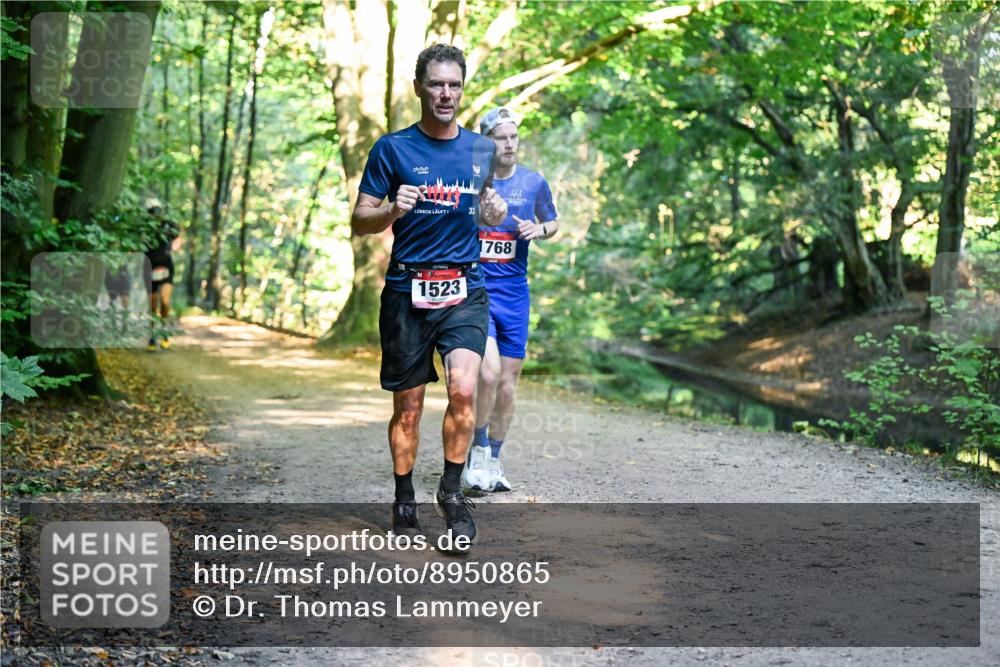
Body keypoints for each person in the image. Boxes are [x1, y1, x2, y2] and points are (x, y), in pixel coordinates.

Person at [351, 44, 508, 549]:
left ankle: (451, 492)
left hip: (464, 287)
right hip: (407, 289)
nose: (446, 93)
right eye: (437, 84)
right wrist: (392, 210)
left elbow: (484, 212)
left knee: (463, 388)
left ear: (462, 90)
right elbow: (360, 220)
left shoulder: (481, 150)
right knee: (409, 408)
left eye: (454, 85)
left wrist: (494, 213)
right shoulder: (392, 149)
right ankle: (404, 497)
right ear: (418, 87)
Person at [463, 107, 559, 493]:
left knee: (507, 383)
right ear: (488, 142)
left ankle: (494, 460)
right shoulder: (472, 183)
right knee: (487, 374)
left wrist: (540, 230)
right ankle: (477, 451)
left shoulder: (534, 183)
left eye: (513, 137)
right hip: (478, 292)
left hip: (516, 294)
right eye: (501, 138)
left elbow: (553, 222)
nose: (509, 144)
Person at [142, 199, 180, 351]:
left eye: (157, 210)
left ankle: (164, 332)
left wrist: (175, 245)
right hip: (149, 268)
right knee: (152, 306)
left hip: (165, 267)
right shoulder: (143, 229)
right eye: (152, 211)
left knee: (164, 301)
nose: (155, 214)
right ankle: (152, 337)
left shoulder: (168, 225)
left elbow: (178, 235)